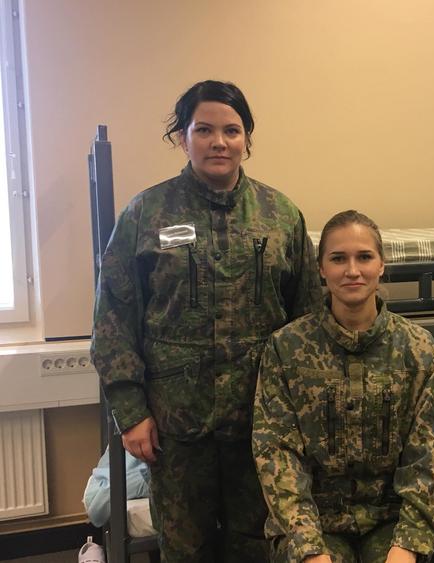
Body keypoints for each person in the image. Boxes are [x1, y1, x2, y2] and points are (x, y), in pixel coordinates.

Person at [91, 80, 322, 562]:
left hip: (261, 420)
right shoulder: (145, 214)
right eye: (204, 130)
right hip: (177, 424)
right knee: (185, 549)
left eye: (232, 131)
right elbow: (113, 319)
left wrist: (303, 410)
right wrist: (130, 412)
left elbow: (307, 321)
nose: (219, 142)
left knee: (257, 545)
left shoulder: (281, 216)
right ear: (183, 138)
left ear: (246, 139)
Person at [252, 210, 434, 563]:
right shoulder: (286, 348)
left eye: (364, 257)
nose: (352, 270)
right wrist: (309, 548)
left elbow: (426, 457)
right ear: (321, 268)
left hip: (392, 520)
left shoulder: (419, 350)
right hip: (315, 522)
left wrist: (407, 544)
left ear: (382, 265)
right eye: (338, 259)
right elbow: (277, 454)